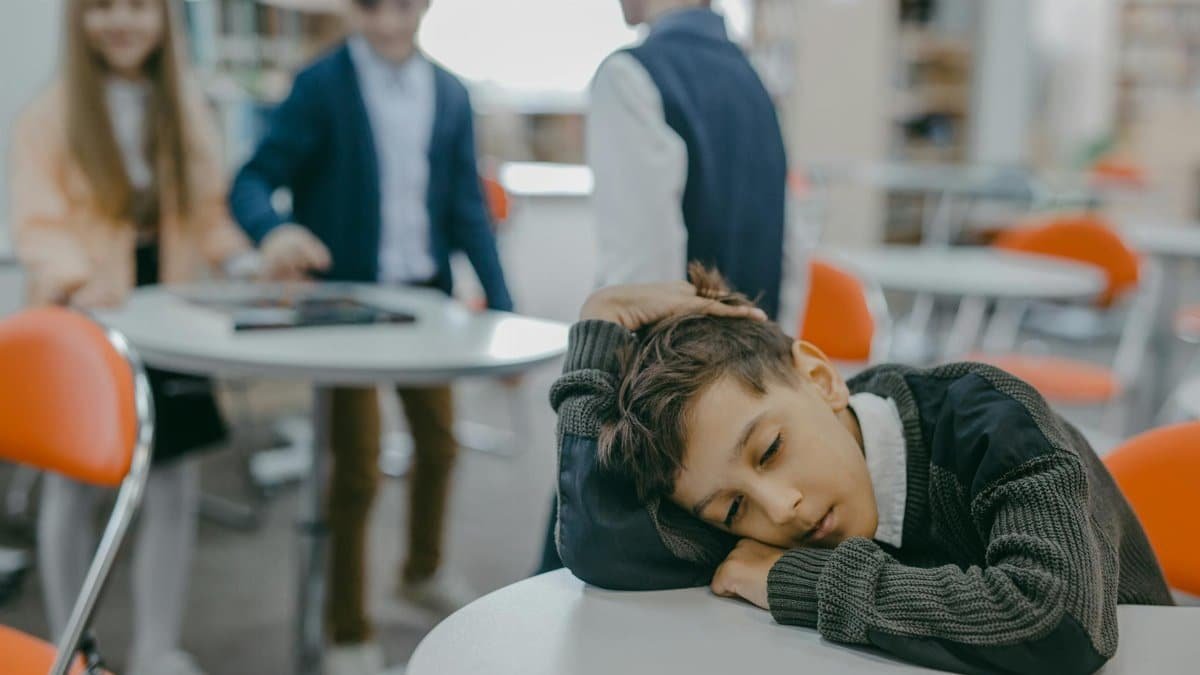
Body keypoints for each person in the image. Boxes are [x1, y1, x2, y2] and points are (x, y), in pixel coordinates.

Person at [550, 265, 1174, 675]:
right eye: (732, 511)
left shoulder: (989, 421)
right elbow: (599, 541)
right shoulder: (777, 513)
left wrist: (800, 582)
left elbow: (1054, 619)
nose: (779, 508)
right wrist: (600, 323)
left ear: (820, 379)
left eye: (769, 449)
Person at [228, 1, 513, 672]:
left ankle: (420, 568)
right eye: (372, 9)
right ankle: (346, 626)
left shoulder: (449, 92)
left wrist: (501, 305)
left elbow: (467, 209)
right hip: (347, 311)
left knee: (439, 445)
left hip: (426, 305)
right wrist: (274, 230)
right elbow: (252, 179)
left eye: (404, 8)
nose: (389, 25)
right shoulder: (320, 86)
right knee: (354, 468)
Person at [8, 1, 256, 673]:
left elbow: (208, 212)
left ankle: (156, 646)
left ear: (164, 19)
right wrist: (76, 279)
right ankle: (71, 647)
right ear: (79, 20)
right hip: (83, 321)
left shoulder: (184, 105)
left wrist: (247, 260)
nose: (123, 22)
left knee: (173, 479)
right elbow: (38, 221)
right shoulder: (51, 113)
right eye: (104, 7)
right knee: (73, 485)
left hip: (165, 317)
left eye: (140, 7)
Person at [538, 0, 803, 574]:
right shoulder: (754, 81)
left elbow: (639, 282)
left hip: (667, 405)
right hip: (752, 392)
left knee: (588, 585)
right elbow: (786, 249)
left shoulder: (632, 74)